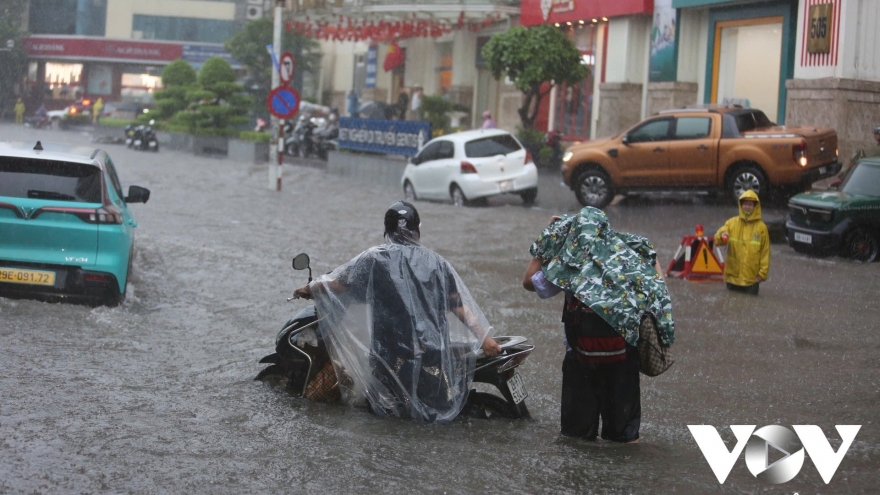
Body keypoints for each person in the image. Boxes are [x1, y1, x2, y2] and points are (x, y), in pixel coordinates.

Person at [293, 201, 501, 423]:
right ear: (417, 230)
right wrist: (485, 338)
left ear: (387, 231)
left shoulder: (375, 259)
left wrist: (309, 288)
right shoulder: (437, 264)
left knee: (386, 421)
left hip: (391, 359)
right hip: (433, 358)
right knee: (429, 422)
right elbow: (459, 306)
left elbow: (339, 284)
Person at [522, 207, 674, 442]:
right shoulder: (626, 258)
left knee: (577, 439)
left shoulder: (569, 263)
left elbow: (529, 282)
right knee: (624, 439)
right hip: (623, 358)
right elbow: (659, 287)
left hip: (580, 359)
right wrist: (641, 250)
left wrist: (550, 237)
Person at [713, 189, 770, 295]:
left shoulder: (761, 228)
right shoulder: (732, 223)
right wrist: (723, 234)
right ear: (741, 205)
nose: (747, 207)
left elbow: (765, 252)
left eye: (750, 204)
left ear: (755, 206)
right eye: (745, 204)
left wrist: (762, 274)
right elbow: (718, 239)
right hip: (732, 277)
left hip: (751, 280)